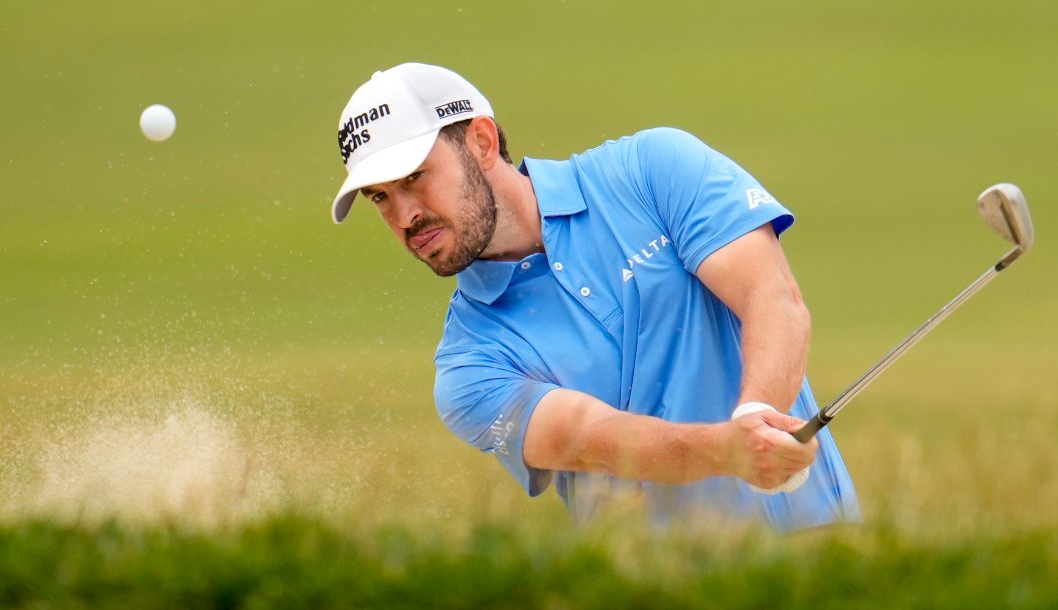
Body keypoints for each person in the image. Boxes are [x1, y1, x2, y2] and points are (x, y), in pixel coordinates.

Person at [330, 62, 860, 531]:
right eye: (381, 197)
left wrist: (759, 411)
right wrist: (731, 450)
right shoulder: (468, 367)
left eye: (416, 178)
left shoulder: (653, 170)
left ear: (482, 143)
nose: (403, 217)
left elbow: (772, 298)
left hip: (827, 560)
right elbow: (594, 438)